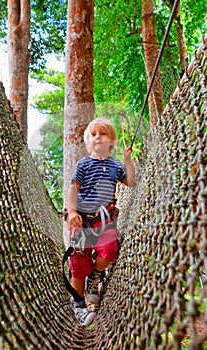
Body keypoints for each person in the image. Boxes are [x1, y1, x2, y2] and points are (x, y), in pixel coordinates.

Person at [67, 117, 135, 326]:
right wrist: (71, 212)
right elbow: (73, 188)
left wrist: (127, 160)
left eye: (103, 133)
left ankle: (96, 276)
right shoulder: (84, 164)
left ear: (111, 140)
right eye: (94, 134)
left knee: (110, 250)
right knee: (78, 264)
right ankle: (79, 306)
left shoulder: (115, 165)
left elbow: (131, 183)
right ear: (89, 140)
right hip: (83, 222)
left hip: (105, 222)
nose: (98, 137)